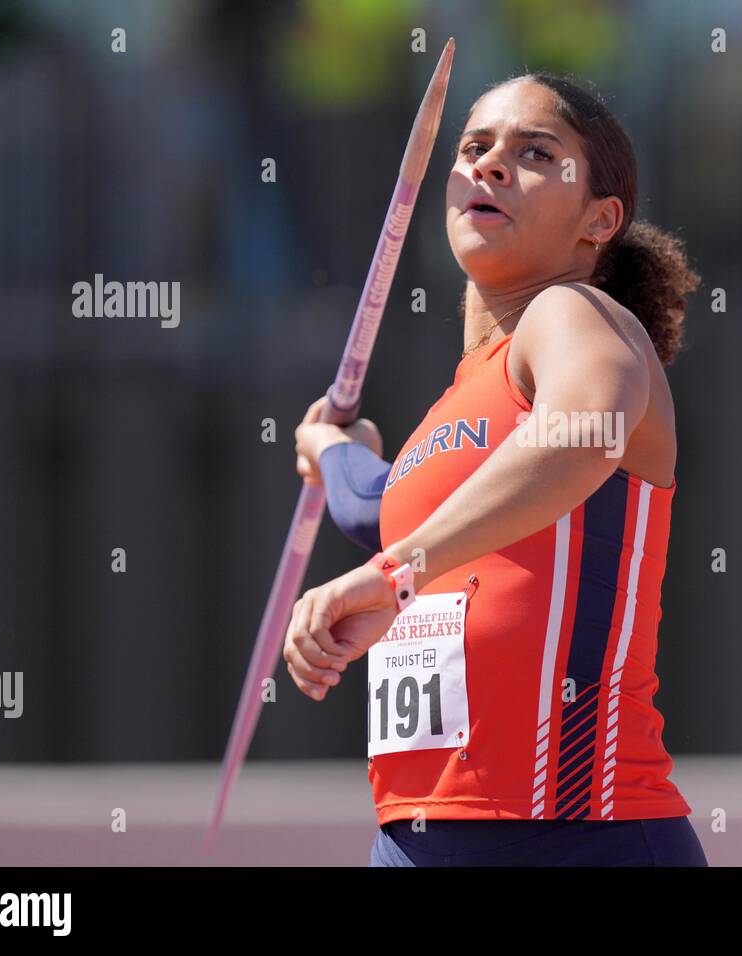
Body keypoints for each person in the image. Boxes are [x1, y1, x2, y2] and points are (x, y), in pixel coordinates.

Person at [286, 71, 705, 866]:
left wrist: (396, 572)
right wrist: (335, 451)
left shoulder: (575, 315)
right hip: (418, 835)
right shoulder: (454, 411)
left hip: (577, 835)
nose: (490, 164)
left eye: (535, 152)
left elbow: (585, 435)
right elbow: (383, 508)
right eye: (474, 148)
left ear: (599, 219)